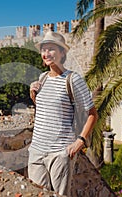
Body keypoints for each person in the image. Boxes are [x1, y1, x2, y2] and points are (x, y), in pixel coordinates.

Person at [28, 31, 98, 196]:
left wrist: (80, 141)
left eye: (51, 49)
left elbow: (93, 114)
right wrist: (34, 97)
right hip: (36, 151)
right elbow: (49, 111)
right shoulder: (42, 78)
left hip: (60, 153)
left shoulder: (73, 80)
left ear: (62, 53)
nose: (46, 54)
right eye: (44, 50)